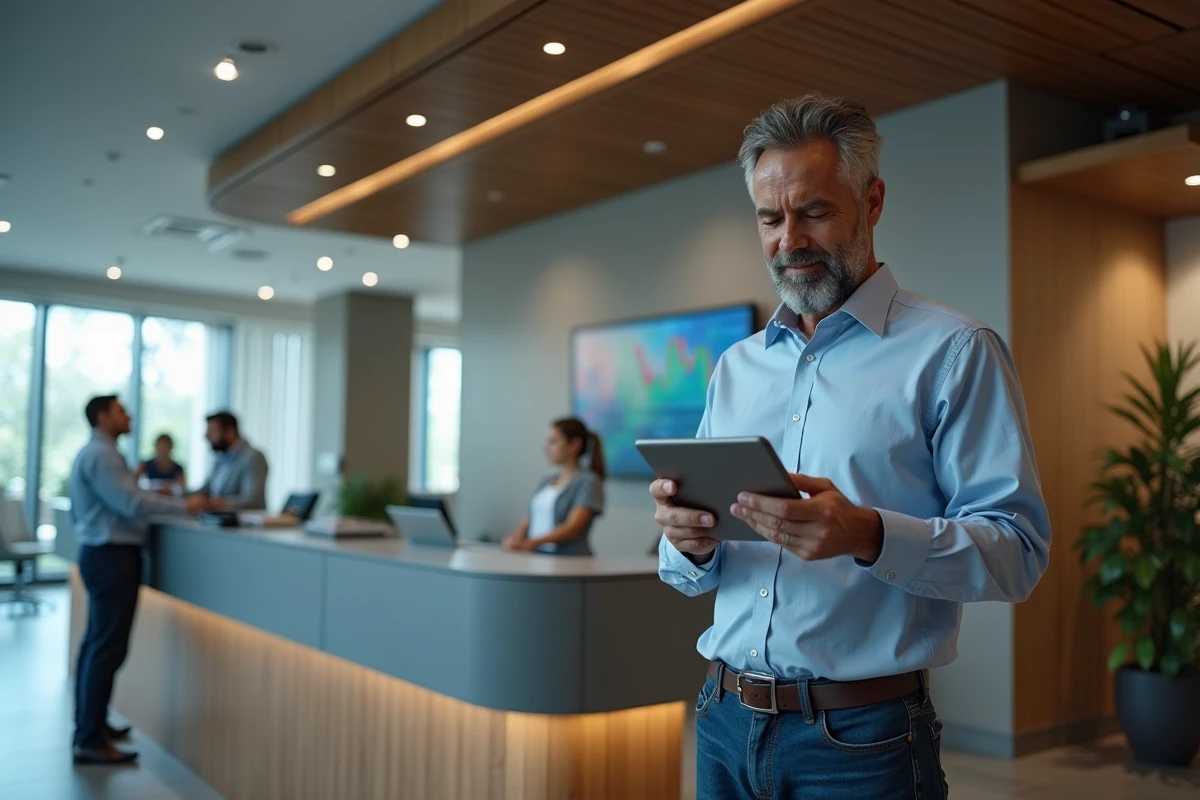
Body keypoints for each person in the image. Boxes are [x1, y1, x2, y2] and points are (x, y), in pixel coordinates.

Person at [653, 95, 1051, 800]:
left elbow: (1018, 554)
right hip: (721, 721)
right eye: (770, 219)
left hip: (862, 741)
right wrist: (688, 542)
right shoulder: (736, 368)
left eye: (813, 212)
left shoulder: (955, 352)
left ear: (873, 201)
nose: (789, 240)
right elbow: (689, 575)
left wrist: (868, 533)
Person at [69, 395, 206, 766]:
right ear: (102, 416)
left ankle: (91, 725)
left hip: (105, 554)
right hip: (112, 556)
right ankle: (89, 738)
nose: (128, 415)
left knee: (98, 645)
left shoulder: (100, 454)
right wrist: (185, 506)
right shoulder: (103, 455)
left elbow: (125, 498)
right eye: (120, 410)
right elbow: (129, 505)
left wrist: (149, 493)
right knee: (107, 648)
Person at [502, 417, 606, 556]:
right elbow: (528, 518)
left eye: (553, 442)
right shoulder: (547, 482)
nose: (546, 448)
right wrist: (514, 540)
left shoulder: (588, 482)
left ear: (574, 445)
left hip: (570, 562)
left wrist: (531, 543)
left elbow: (572, 527)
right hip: (538, 557)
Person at [193, 411, 269, 511]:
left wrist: (213, 504)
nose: (206, 437)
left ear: (230, 432)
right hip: (216, 522)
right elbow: (205, 491)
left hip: (241, 524)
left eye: (212, 432)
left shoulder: (253, 457)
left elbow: (253, 501)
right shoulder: (221, 458)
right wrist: (176, 492)